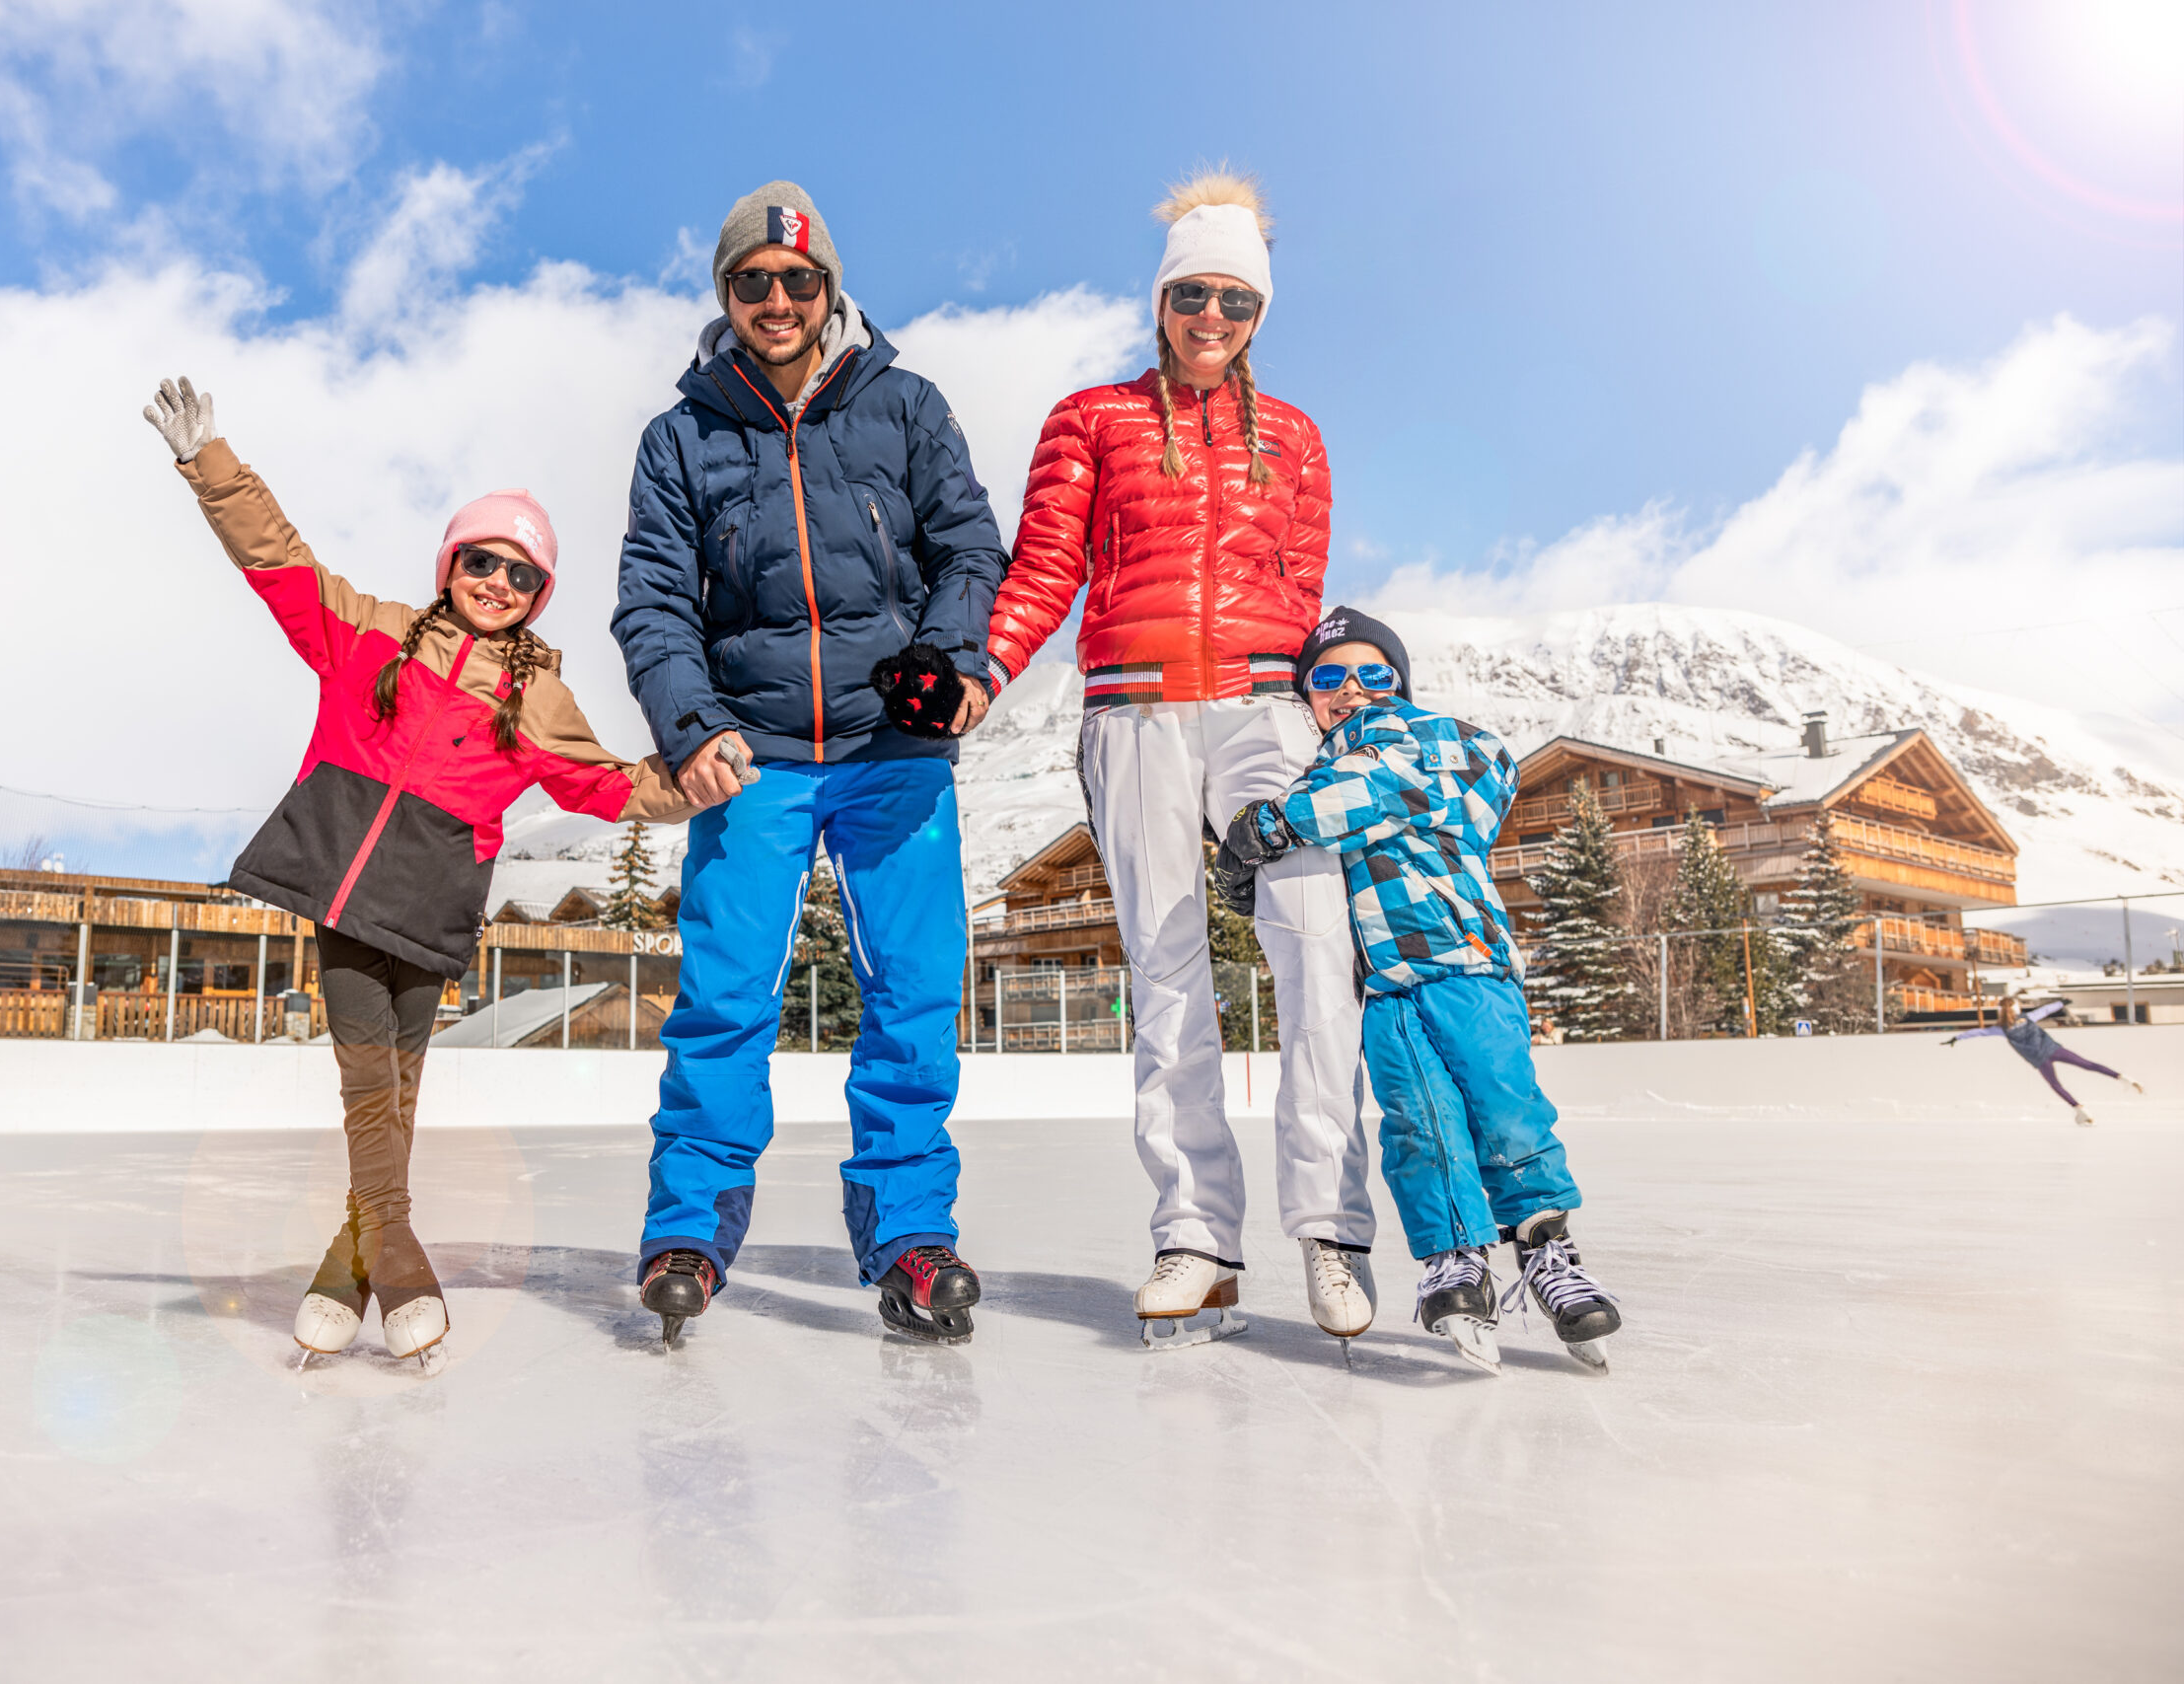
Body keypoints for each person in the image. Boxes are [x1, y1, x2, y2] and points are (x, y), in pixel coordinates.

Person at [143, 376, 692, 1367]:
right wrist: (207, 463)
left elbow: (608, 787)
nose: (496, 583)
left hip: (430, 911)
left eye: (519, 576)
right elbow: (278, 559)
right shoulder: (372, 636)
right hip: (344, 897)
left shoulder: (538, 698)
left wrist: (697, 782)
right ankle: (399, 1268)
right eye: (481, 561)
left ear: (537, 598)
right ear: (451, 565)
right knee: (368, 1088)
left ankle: (342, 1272)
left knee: (398, 1089)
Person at [979, 171, 1374, 1351]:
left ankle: (1330, 1226)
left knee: (1312, 939)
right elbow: (1045, 567)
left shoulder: (1295, 439)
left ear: (1259, 313)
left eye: (1236, 302)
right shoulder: (1090, 418)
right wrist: (983, 671)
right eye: (1192, 294)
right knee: (1163, 969)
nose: (1211, 318)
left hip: (1262, 709)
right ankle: (1195, 1236)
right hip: (1132, 710)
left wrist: (1339, 721)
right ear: (1160, 299)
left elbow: (1300, 597)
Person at [612, 182, 1008, 1346]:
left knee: (914, 997)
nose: (775, 301)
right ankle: (686, 1230)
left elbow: (967, 545)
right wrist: (690, 722)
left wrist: (952, 656)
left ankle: (913, 1241)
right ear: (726, 296)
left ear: (829, 288)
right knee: (725, 1001)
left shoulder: (905, 406)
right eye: (751, 282)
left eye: (796, 280)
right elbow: (651, 599)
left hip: (896, 750)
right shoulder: (680, 435)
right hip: (755, 757)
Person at [1217, 608, 1624, 1374]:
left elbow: (1416, 777)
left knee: (1505, 1109)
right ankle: (1455, 1256)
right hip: (1390, 990)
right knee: (1420, 1122)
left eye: (1373, 673)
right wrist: (1259, 870)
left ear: (1399, 683)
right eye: (1328, 678)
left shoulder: (1438, 740)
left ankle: (1545, 1246)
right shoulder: (1324, 770)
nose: (1352, 690)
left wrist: (1269, 825)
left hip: (1471, 969)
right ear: (1306, 696)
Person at [1945, 998, 2144, 1126]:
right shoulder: (2029, 1018)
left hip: (2040, 1060)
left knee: (2055, 1085)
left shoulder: (2001, 1028)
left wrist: (1957, 1038)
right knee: (2087, 1064)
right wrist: (2061, 1003)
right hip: (2054, 1049)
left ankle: (2079, 1109)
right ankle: (2122, 1077)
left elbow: (1979, 1032)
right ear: (2017, 1008)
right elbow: (2046, 1010)